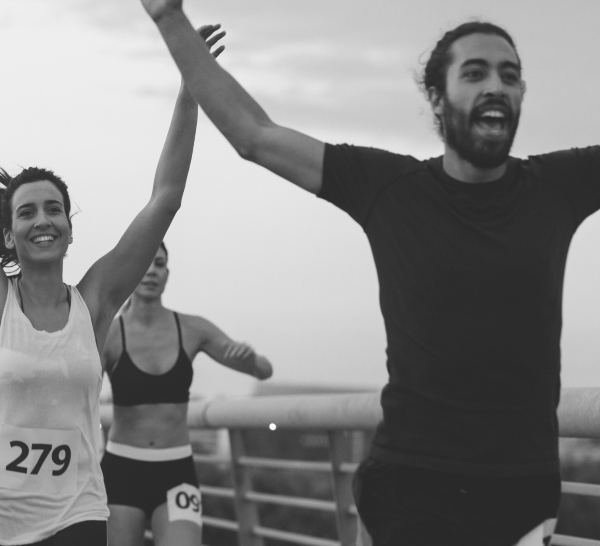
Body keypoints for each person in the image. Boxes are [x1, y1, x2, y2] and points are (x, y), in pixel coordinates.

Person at [138, 3, 600, 544]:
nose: (495, 86)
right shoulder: (390, 188)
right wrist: (169, 17)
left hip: (522, 494)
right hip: (411, 490)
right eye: (474, 73)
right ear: (438, 95)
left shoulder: (558, 187)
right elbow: (254, 135)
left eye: (510, 75)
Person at [0, 4, 225, 545]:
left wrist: (190, 88)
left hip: (77, 518)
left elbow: (166, 198)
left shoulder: (96, 300)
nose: (42, 220)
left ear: (70, 227)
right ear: (8, 235)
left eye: (53, 209)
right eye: (26, 212)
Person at [101, 242, 273, 546]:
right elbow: (79, 391)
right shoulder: (111, 335)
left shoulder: (193, 329)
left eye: (160, 264)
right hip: (121, 470)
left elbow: (263, 371)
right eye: (145, 263)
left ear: (167, 274)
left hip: (176, 471)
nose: (152, 271)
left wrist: (250, 360)